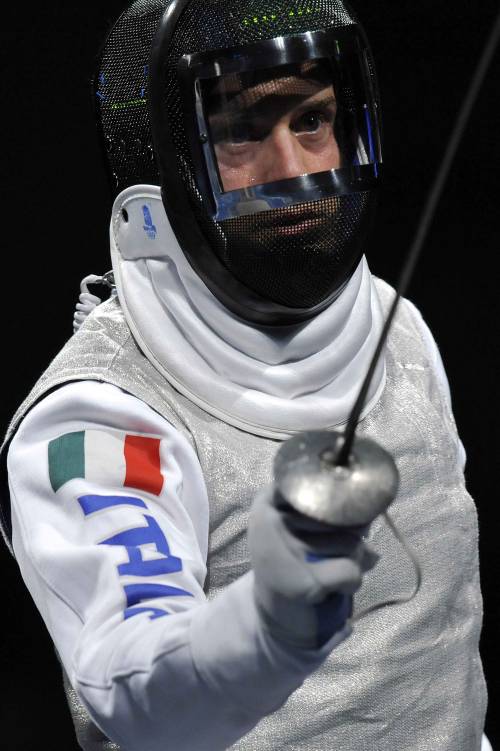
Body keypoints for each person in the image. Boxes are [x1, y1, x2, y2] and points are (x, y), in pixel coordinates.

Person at [0, 0, 490, 749]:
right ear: (162, 161)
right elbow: (135, 685)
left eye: (312, 122)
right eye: (240, 131)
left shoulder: (400, 329)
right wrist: (265, 626)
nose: (291, 171)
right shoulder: (98, 416)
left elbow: (441, 650)